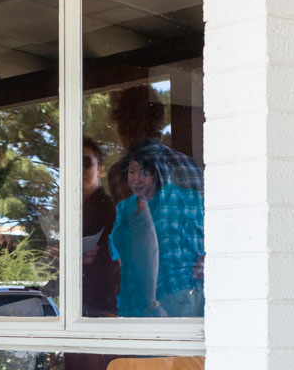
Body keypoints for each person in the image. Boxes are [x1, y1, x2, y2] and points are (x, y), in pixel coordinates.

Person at [109, 139, 204, 317]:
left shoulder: (180, 200)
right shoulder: (126, 207)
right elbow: (118, 255)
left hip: (168, 296)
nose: (136, 180)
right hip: (146, 299)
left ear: (157, 174)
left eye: (145, 173)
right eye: (132, 172)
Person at [81, 136, 117, 316]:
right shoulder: (71, 211)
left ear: (100, 170)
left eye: (86, 163)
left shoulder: (107, 208)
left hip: (104, 307)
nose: (80, 170)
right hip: (80, 306)